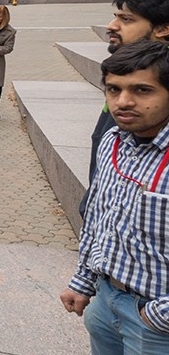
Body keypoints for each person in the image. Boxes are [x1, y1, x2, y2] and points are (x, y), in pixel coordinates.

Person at [59, 40, 169, 352]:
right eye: (113, 89)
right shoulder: (112, 140)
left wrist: (158, 315)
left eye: (142, 90)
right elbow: (98, 217)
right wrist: (83, 281)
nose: (123, 101)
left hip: (155, 323)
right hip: (105, 302)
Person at [82, 0, 169, 204]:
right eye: (114, 90)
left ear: (162, 29)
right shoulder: (123, 73)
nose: (112, 26)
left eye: (126, 19)